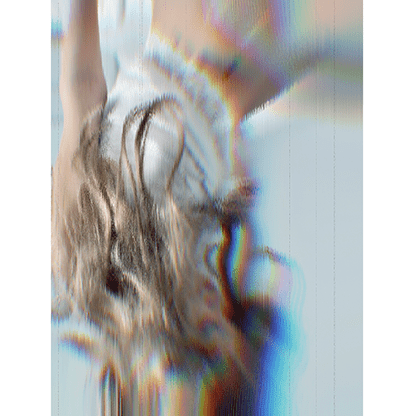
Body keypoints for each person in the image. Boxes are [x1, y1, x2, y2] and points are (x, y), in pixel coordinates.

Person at [52, 0, 321, 413]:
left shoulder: (85, 260)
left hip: (179, 28)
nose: (215, 319)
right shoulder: (222, 255)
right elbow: (229, 112)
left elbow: (82, 88)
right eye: (221, 342)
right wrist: (276, 70)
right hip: (231, 41)